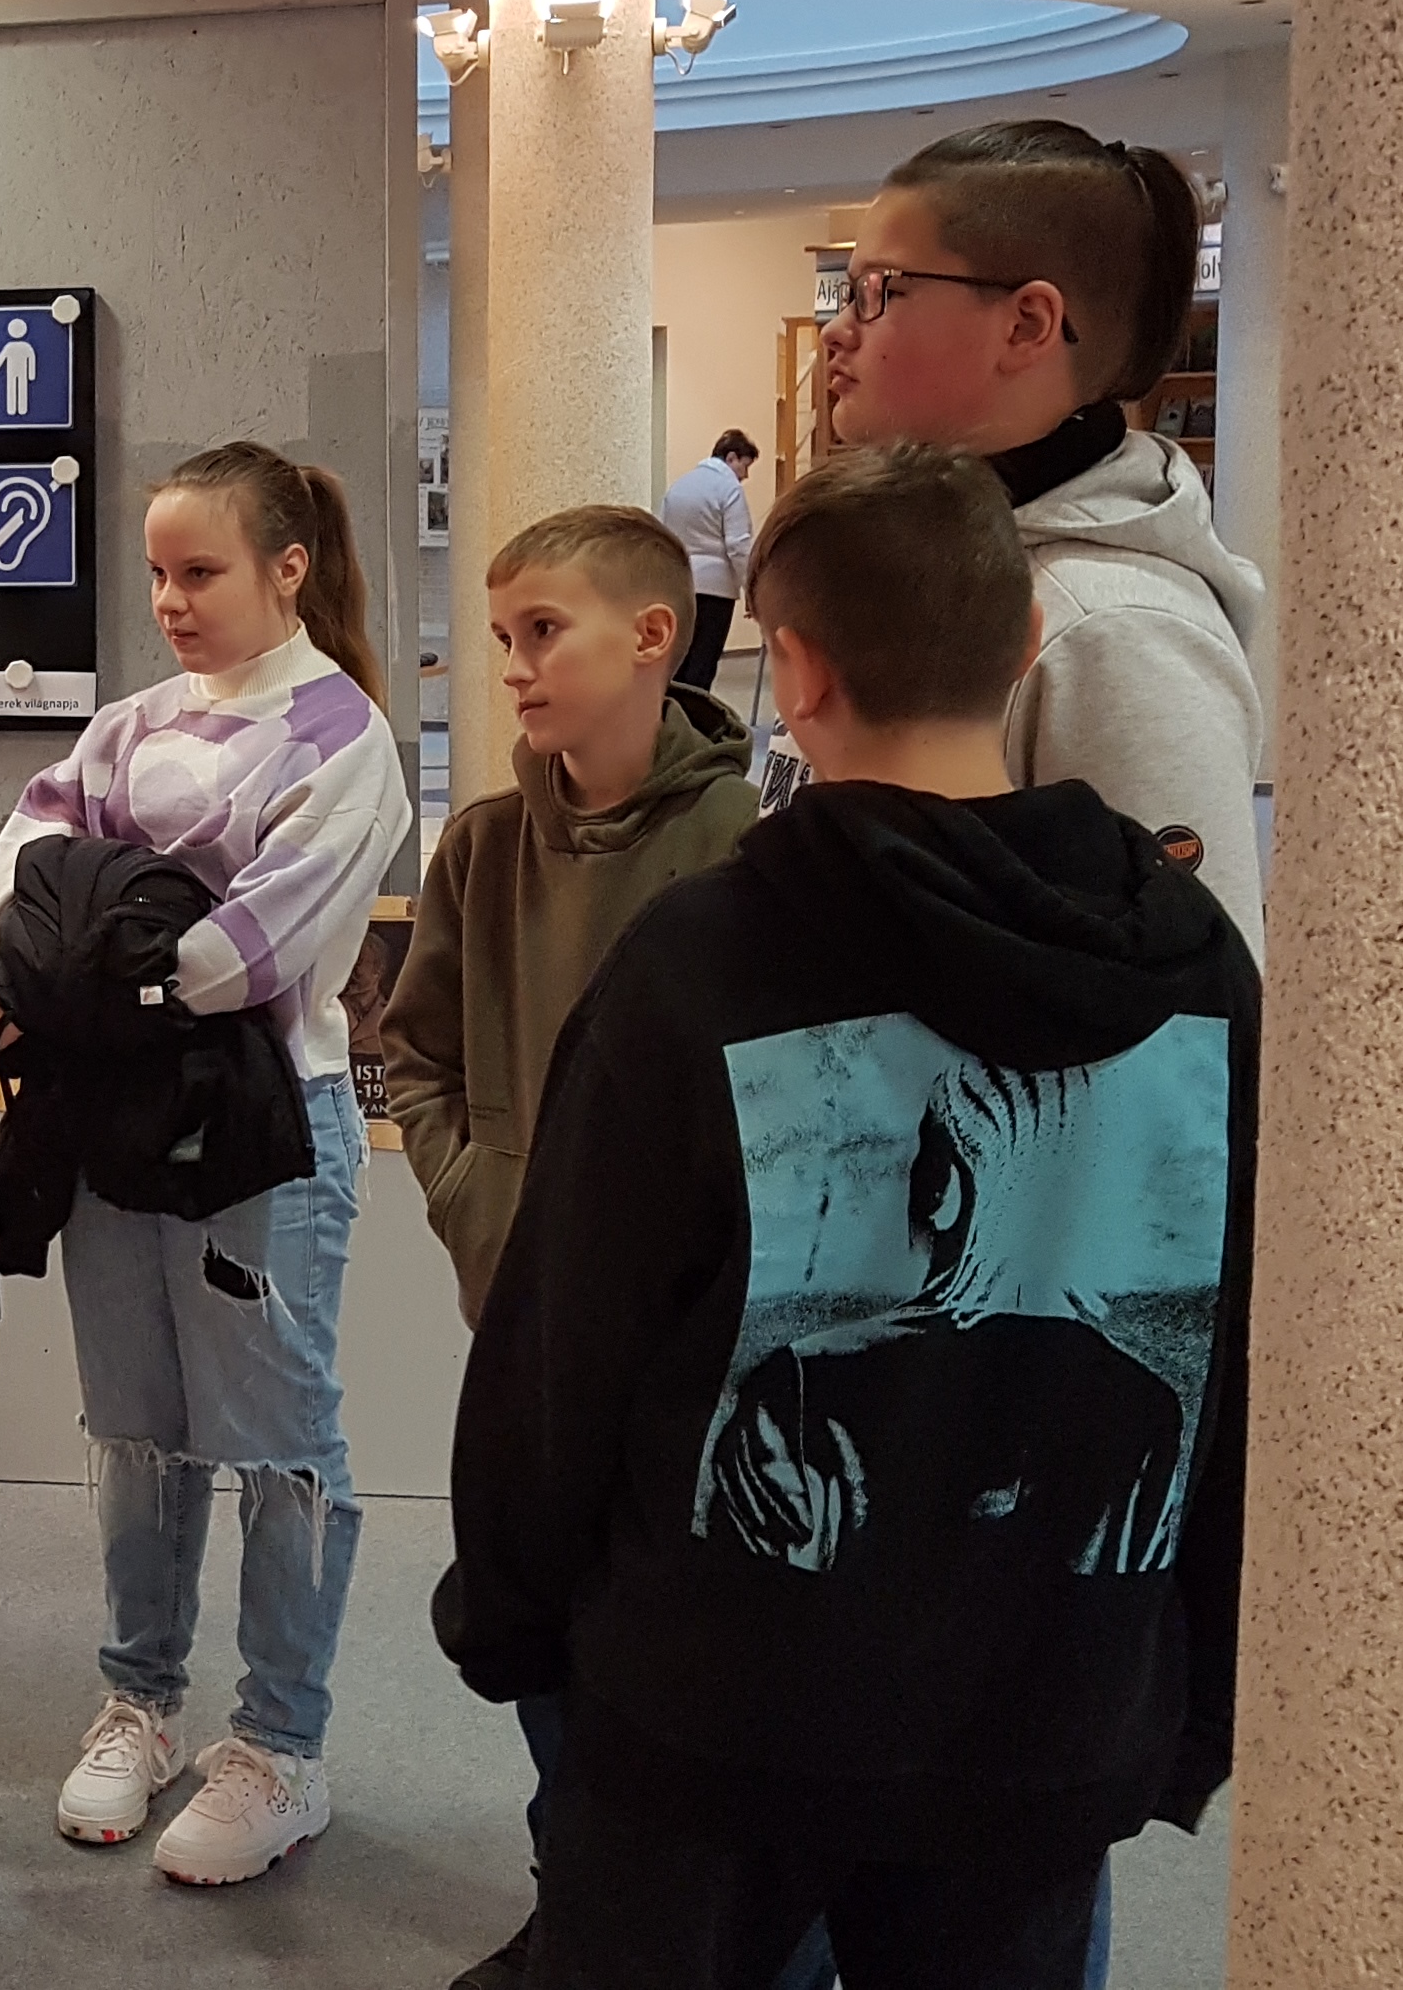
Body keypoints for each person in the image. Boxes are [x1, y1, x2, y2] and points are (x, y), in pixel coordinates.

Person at [439, 443, 1258, 1990]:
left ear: (795, 671)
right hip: (1049, 1701)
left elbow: (571, 1339)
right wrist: (1188, 1682)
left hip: (720, 1708)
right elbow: (1237, 1332)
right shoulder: (1199, 964)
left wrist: (514, 1612)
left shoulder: (708, 954)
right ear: (1027, 643)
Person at [0, 441, 413, 1887]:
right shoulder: (127, 727)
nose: (171, 601)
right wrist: (87, 945)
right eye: (157, 572)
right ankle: (140, 1702)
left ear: (288, 566)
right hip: (110, 1121)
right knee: (137, 1429)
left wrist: (79, 953)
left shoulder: (342, 740)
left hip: (262, 1135)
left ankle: (280, 1743)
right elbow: (23, 873)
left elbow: (237, 961)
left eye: (200, 571)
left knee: (274, 1438)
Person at [382, 504, 759, 1990]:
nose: (515, 669)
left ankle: (660, 1925)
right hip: (525, 1333)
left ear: (654, 637)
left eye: (545, 632)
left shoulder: (747, 846)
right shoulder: (481, 845)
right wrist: (482, 1202)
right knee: (534, 1628)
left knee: (671, 1658)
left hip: (689, 1352)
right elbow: (415, 1055)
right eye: (503, 639)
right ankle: (573, 1903)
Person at [822, 119, 1267, 961]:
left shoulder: (1116, 633)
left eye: (877, 292)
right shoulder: (932, 565)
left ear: (1027, 325)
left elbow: (1191, 1003)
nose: (839, 331)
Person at [657, 429, 760, 698]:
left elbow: (663, 535)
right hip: (716, 589)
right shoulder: (729, 489)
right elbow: (738, 545)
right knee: (703, 663)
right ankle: (697, 718)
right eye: (745, 466)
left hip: (680, 584)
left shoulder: (679, 486)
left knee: (679, 662)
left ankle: (672, 715)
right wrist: (751, 587)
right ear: (731, 457)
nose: (745, 475)